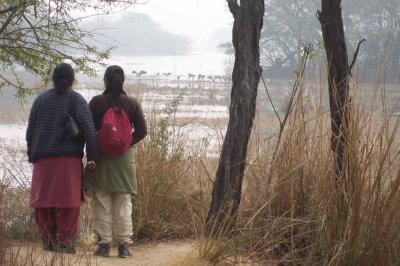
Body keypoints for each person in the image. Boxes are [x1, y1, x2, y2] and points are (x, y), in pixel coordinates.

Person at [26, 62, 98, 253]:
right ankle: (65, 243)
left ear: (53, 79)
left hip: (42, 160)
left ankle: (48, 241)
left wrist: (31, 154)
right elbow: (90, 132)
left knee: (44, 203)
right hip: (68, 161)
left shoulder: (40, 100)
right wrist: (92, 158)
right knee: (68, 204)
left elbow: (30, 131)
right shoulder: (76, 100)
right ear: (72, 80)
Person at [84, 65, 147, 258]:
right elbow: (142, 131)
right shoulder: (132, 103)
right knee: (123, 202)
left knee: (102, 202)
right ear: (123, 81)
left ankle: (103, 245)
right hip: (124, 160)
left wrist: (97, 148)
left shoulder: (96, 102)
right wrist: (125, 144)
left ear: (105, 80)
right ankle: (124, 246)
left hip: (100, 157)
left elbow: (88, 129)